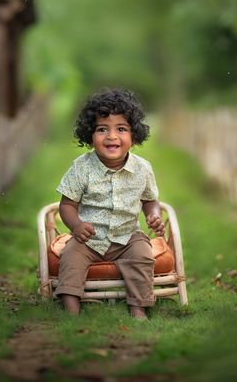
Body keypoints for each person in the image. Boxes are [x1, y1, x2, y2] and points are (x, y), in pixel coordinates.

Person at [55, 87, 164, 320]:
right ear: (90, 135)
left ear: (134, 136)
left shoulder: (142, 169)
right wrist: (75, 226)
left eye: (121, 129)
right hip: (89, 238)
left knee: (143, 255)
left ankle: (138, 308)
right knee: (71, 255)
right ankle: (70, 309)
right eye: (102, 129)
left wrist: (153, 216)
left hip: (127, 236)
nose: (112, 136)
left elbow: (150, 200)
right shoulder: (81, 167)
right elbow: (67, 205)